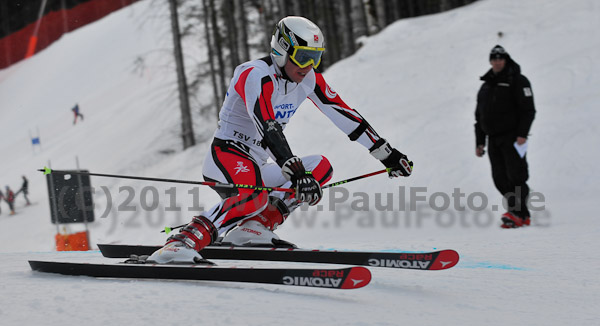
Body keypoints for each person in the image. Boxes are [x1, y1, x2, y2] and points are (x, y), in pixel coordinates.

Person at [148, 16, 413, 263]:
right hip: (228, 155)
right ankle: (183, 241)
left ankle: (254, 228)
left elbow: (346, 115)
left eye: (315, 59)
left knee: (321, 167)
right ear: (282, 50)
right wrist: (295, 171)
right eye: (303, 57)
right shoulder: (254, 74)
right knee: (253, 196)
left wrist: (387, 155)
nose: (308, 66)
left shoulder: (309, 79)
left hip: (260, 161)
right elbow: (267, 125)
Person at [474, 45, 536, 228]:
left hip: (513, 137)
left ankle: (517, 213)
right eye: (494, 58)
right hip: (493, 138)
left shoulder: (517, 80)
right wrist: (479, 142)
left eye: (500, 58)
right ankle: (520, 214)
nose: (497, 61)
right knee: (499, 178)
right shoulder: (486, 86)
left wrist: (522, 134)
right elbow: (479, 117)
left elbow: (528, 110)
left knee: (516, 176)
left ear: (506, 60)